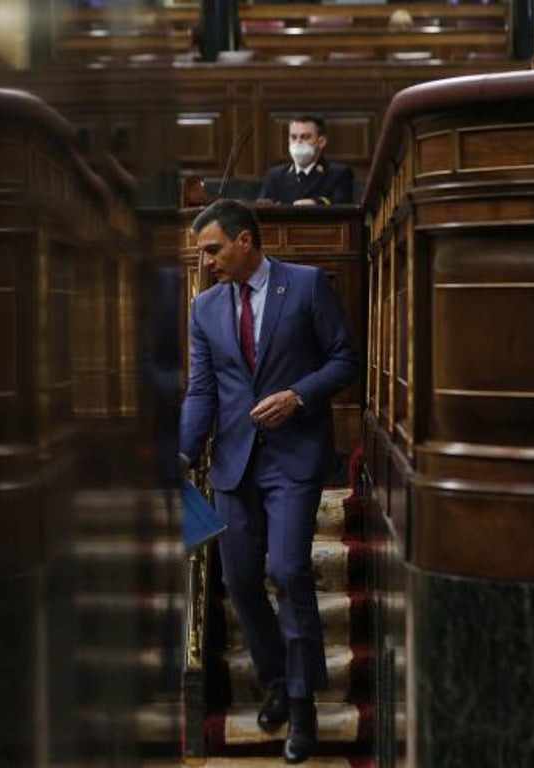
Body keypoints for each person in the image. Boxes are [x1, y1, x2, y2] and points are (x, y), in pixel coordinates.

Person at [179, 199, 359, 763]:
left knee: (288, 570)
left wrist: (299, 396)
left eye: (213, 249)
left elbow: (345, 361)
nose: (206, 262)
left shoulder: (305, 286)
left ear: (245, 242)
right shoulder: (204, 308)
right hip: (233, 463)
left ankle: (303, 706)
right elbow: (202, 391)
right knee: (241, 582)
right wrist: (181, 455)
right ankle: (277, 682)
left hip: (294, 458)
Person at [257, 114, 354, 206]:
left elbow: (341, 205)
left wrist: (315, 203)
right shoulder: (275, 175)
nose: (298, 142)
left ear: (321, 142)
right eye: (293, 137)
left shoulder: (338, 174)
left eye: (305, 137)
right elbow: (261, 209)